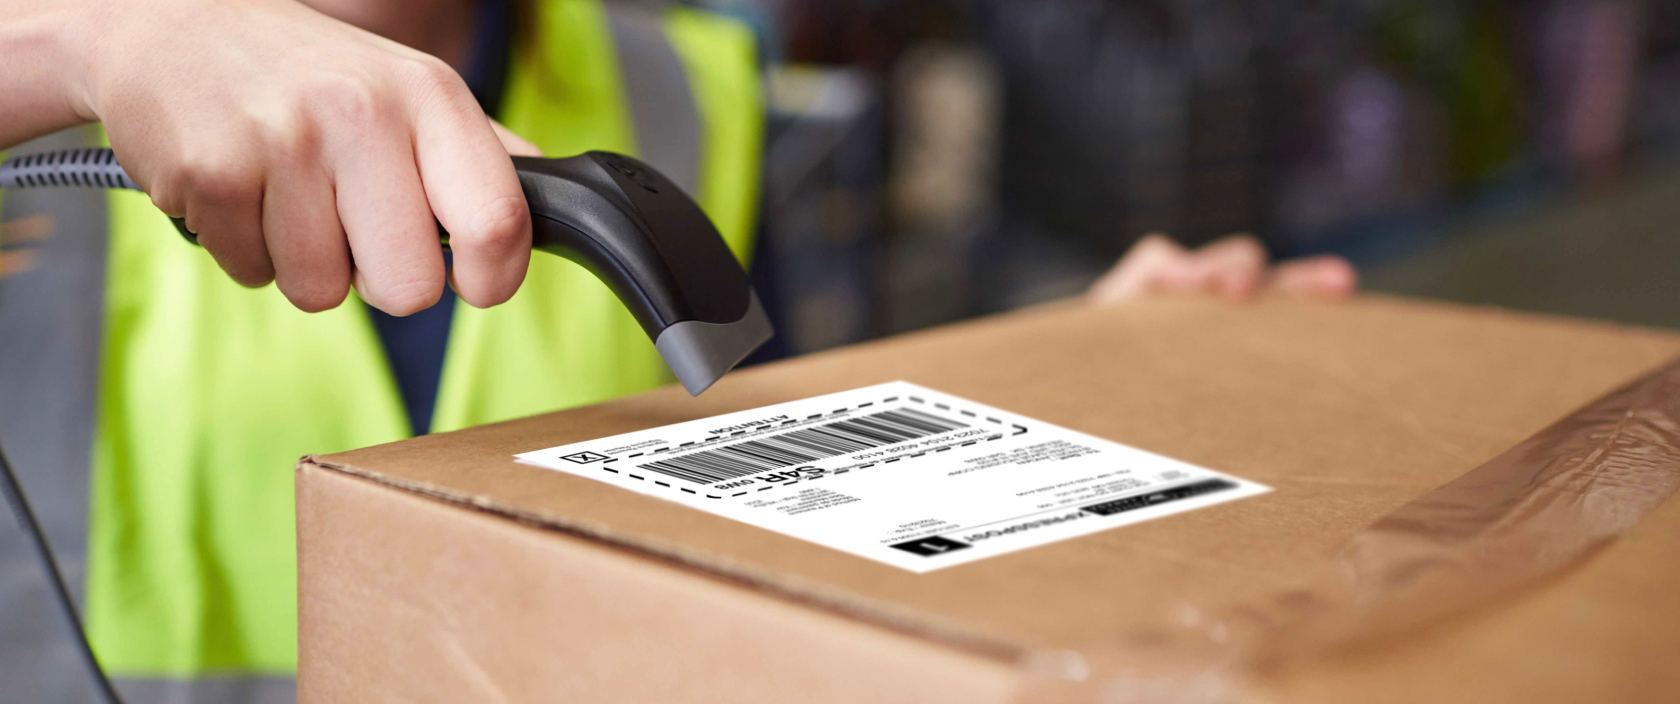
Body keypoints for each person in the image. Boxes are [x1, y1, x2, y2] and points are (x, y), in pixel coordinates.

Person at [0, 0, 1355, 701]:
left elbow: (791, 439)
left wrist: (1059, 381)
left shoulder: (688, 79)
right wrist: (88, 36)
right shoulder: (57, 94)